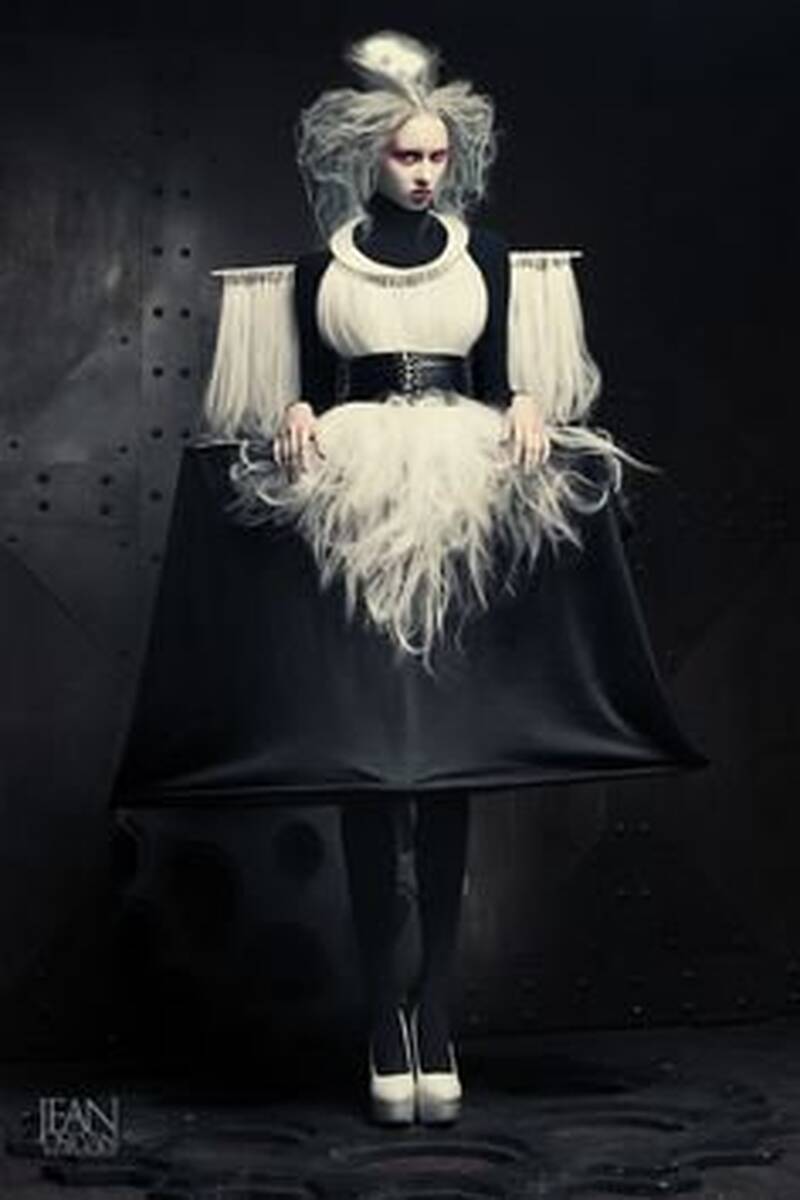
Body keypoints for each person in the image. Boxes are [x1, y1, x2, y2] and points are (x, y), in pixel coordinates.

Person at [118, 29, 703, 1127]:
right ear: (370, 159)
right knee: (369, 766)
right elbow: (300, 383)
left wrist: (524, 402)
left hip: (459, 496)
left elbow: (500, 374)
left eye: (437, 156)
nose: (425, 172)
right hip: (353, 502)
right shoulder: (317, 271)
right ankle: (381, 1020)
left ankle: (434, 1015)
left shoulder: (488, 258)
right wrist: (295, 408)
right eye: (406, 156)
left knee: (444, 766)